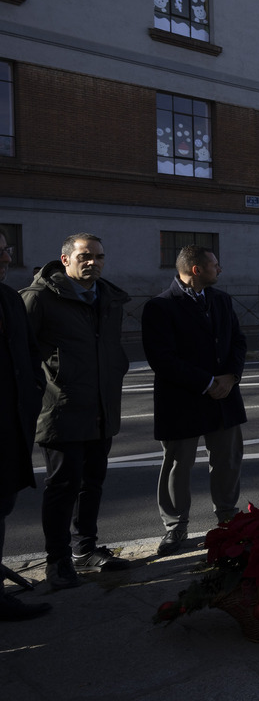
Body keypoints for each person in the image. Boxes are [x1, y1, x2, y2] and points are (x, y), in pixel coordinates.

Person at [21, 233, 131, 590]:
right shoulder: (39, 298)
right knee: (62, 486)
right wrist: (43, 390)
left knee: (93, 483)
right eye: (85, 256)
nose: (93, 262)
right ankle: (58, 561)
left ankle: (85, 549)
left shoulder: (109, 298)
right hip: (61, 410)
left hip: (101, 408)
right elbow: (17, 356)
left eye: (99, 256)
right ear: (65, 259)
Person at [141, 245, 247, 557]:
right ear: (197, 270)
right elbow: (161, 358)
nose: (220, 269)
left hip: (224, 397)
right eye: (215, 265)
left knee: (227, 461)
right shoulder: (160, 306)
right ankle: (175, 526)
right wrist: (206, 382)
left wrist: (231, 377)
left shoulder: (222, 300)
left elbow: (238, 342)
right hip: (182, 400)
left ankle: (228, 518)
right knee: (177, 465)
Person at [0, 228, 51, 620]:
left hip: (10, 427)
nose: (6, 260)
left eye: (6, 251)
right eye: (0, 253)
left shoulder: (8, 298)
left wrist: (33, 393)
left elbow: (31, 353)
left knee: (2, 505)